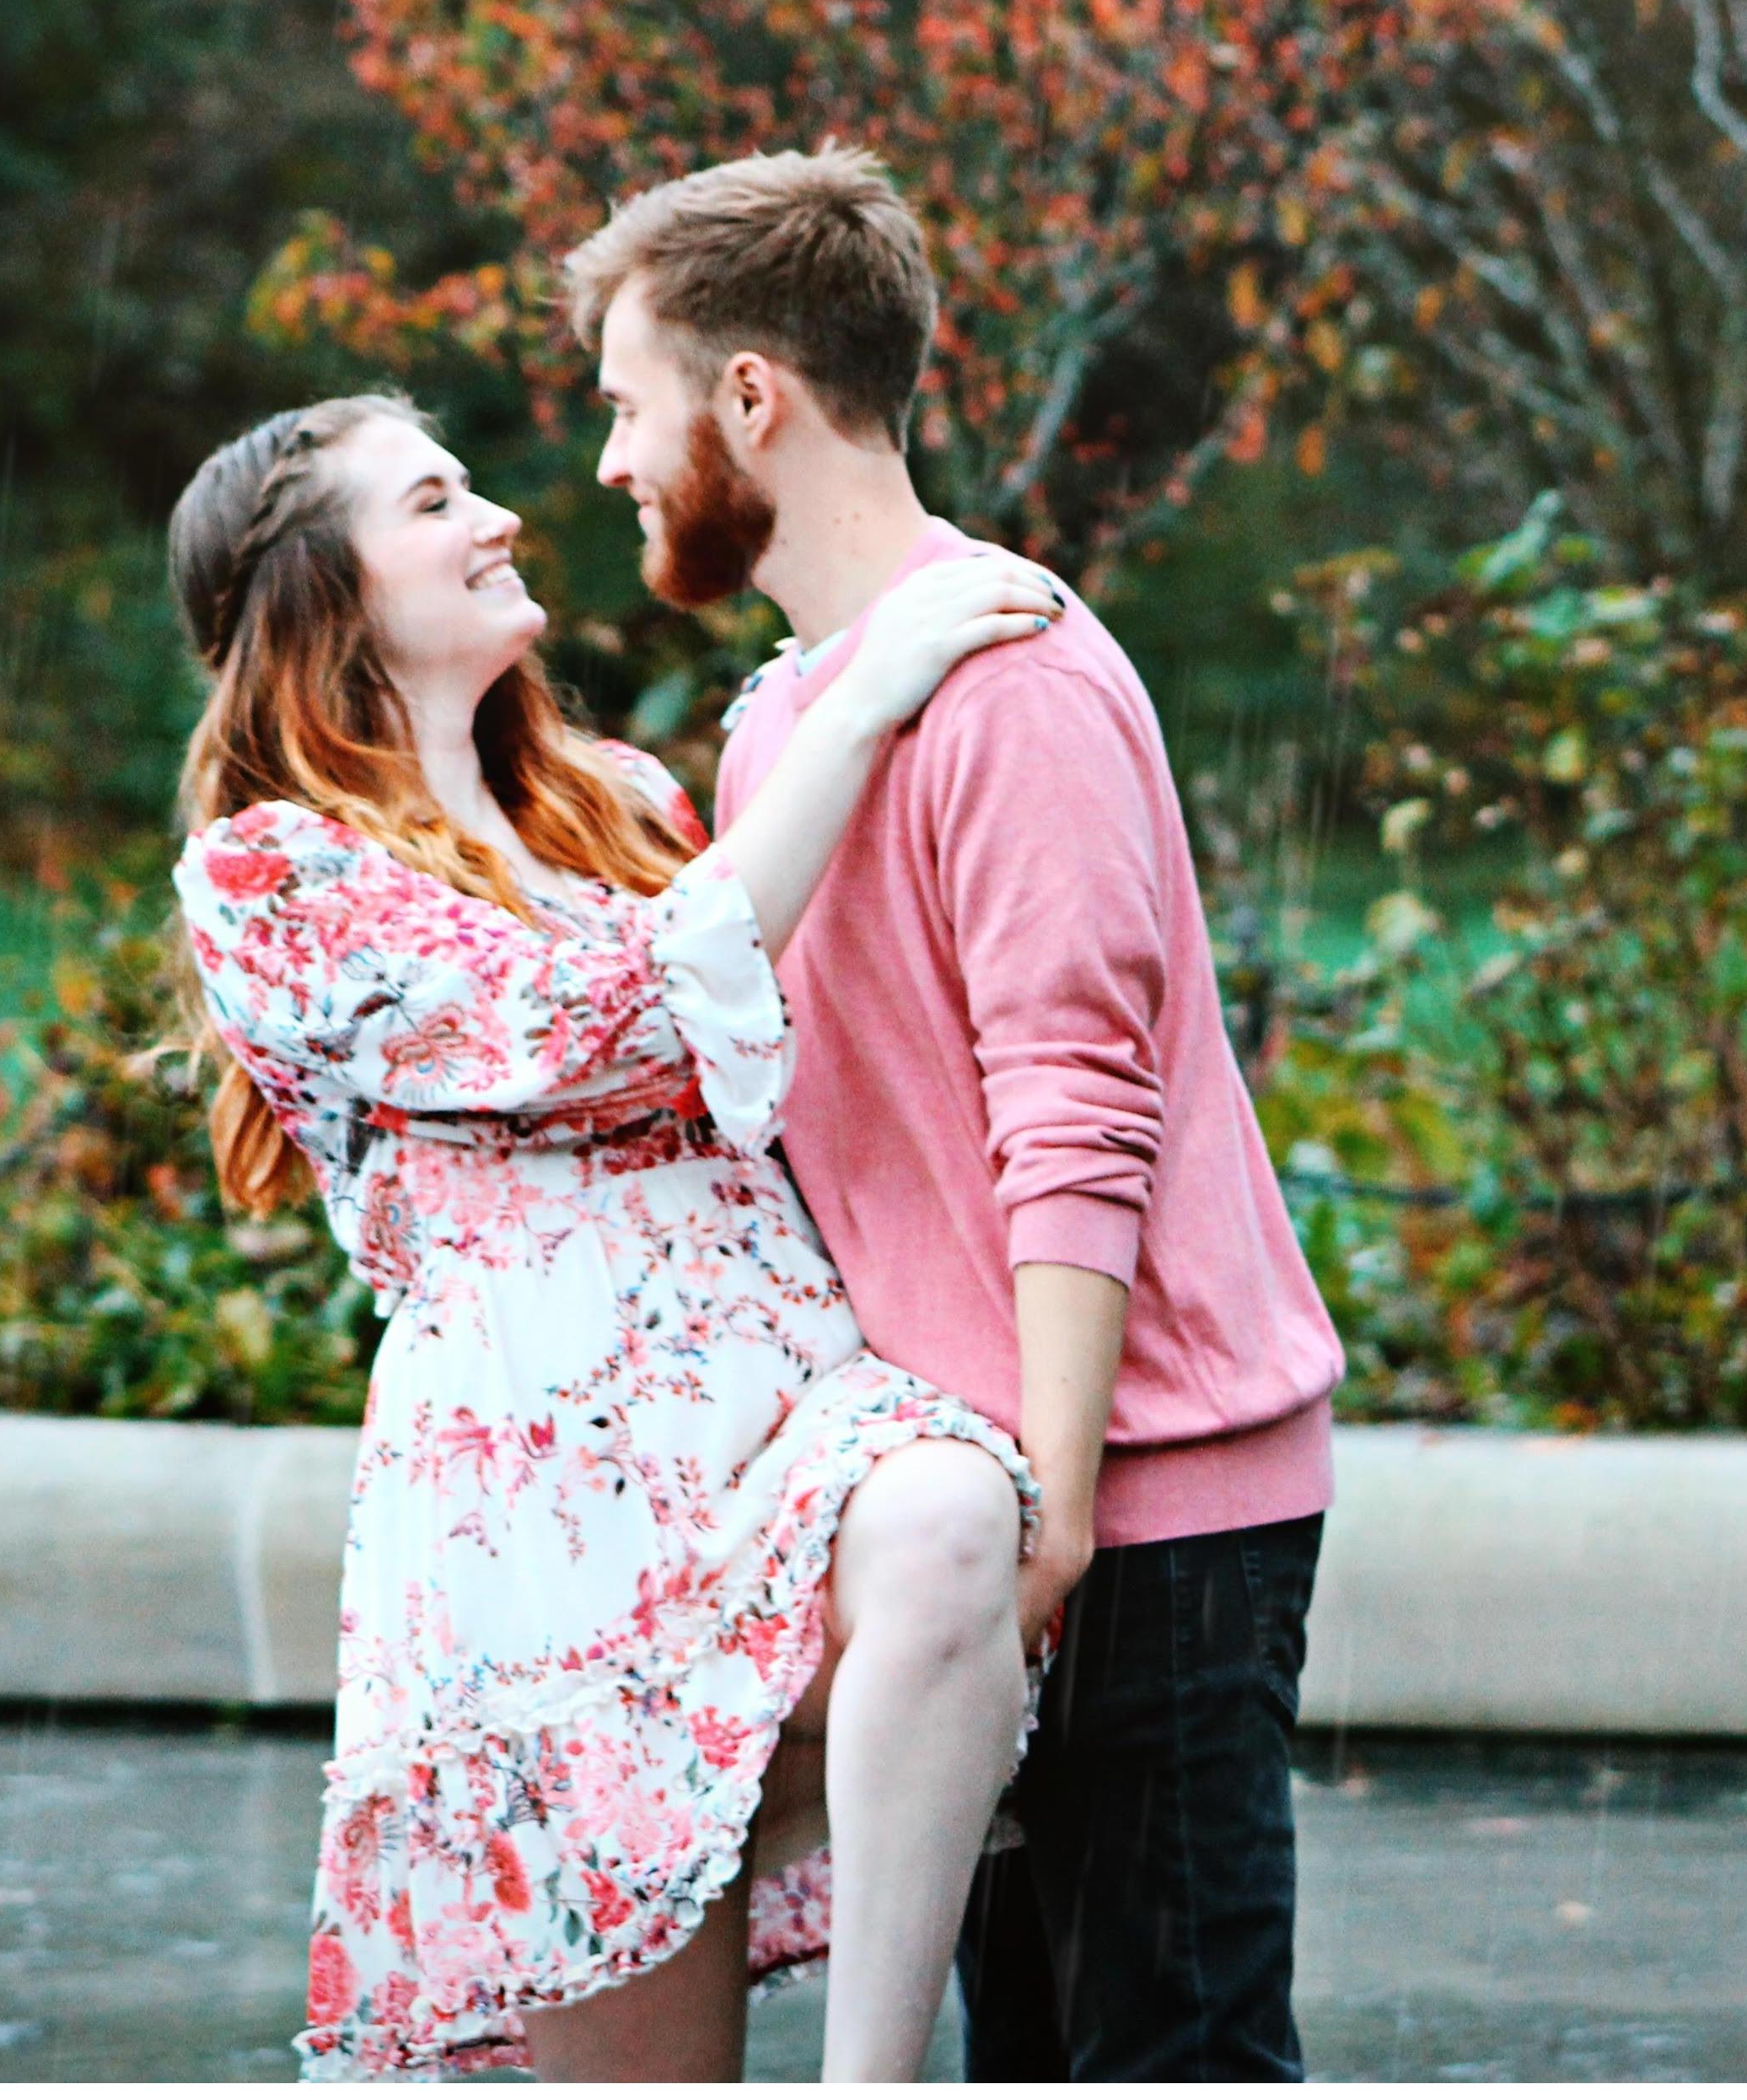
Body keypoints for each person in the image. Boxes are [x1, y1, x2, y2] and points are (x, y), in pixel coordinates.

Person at [167, 390, 1067, 2082]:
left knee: (955, 1516)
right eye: (435, 502)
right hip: (545, 1545)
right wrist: (859, 704)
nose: (497, 517)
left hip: (777, 1437)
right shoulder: (271, 877)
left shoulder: (628, 803)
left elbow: (813, 1033)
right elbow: (599, 1019)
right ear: (323, 595)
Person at [571, 148, 1347, 2082]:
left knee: (1165, 2058)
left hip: (1139, 1513)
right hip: (968, 1521)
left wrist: (1062, 1515)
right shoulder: (786, 727)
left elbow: (1080, 1107)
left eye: (624, 402)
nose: (607, 465)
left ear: (749, 395)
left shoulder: (1009, 678)